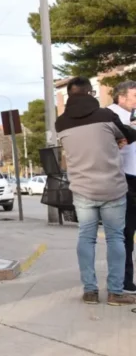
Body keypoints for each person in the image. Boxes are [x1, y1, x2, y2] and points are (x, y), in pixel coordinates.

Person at [56, 77, 136, 306]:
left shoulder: (61, 123)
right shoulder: (105, 116)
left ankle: (90, 291)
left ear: (69, 96)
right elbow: (129, 136)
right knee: (115, 238)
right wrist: (120, 138)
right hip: (113, 187)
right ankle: (115, 292)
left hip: (82, 190)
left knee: (86, 238)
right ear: (91, 94)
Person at [108, 80, 136, 294]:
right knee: (125, 234)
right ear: (122, 97)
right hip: (125, 180)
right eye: (135, 96)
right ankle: (125, 281)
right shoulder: (110, 116)